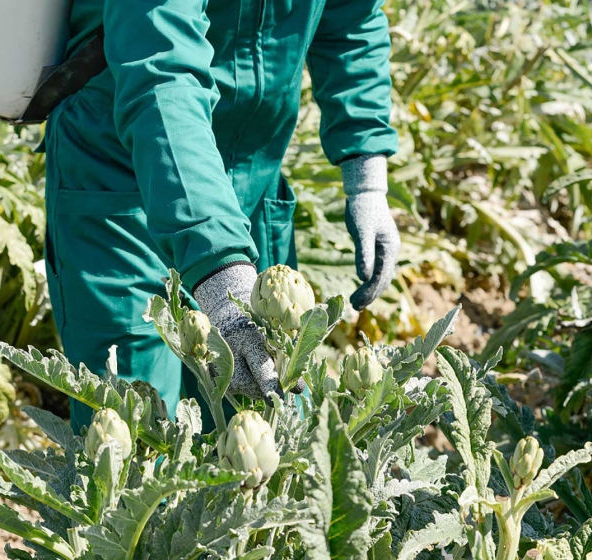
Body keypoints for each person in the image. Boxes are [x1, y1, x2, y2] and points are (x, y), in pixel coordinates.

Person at [43, 0, 401, 434]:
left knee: (269, 423)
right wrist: (219, 262)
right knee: (132, 431)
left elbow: (351, 16)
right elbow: (161, 70)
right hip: (121, 183)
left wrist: (366, 174)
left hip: (251, 179)